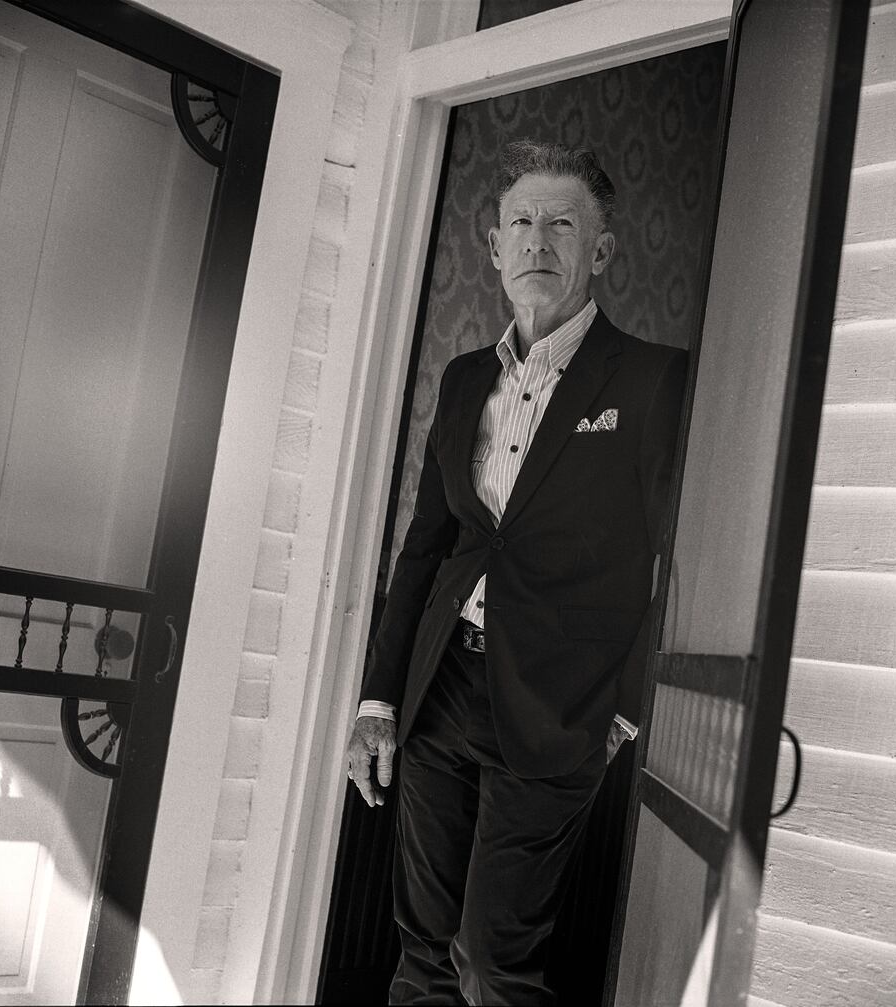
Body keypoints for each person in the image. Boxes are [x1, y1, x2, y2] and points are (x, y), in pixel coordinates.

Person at [346, 139, 687, 1006]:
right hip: (439, 689)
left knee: (493, 960)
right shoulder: (465, 382)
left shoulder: (652, 382)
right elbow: (426, 546)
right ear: (494, 247)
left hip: (557, 706)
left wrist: (624, 710)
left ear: (600, 251)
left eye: (563, 223)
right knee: (420, 948)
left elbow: (673, 561)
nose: (539, 241)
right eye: (522, 222)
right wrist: (378, 700)